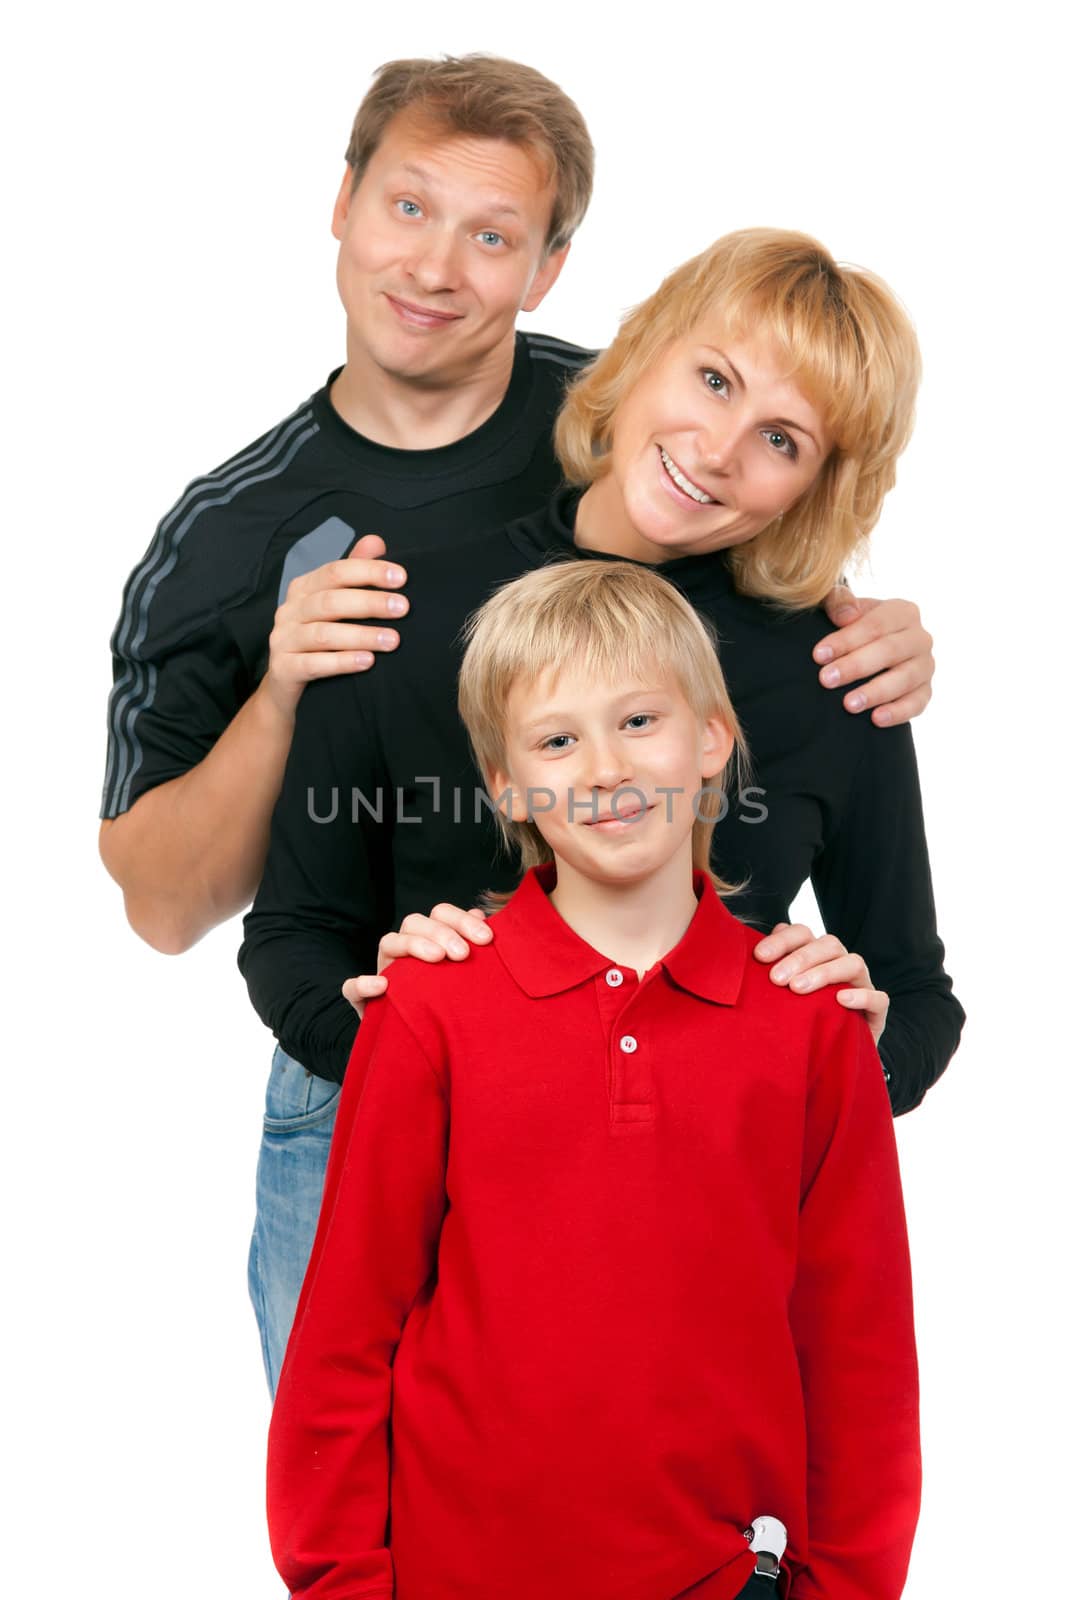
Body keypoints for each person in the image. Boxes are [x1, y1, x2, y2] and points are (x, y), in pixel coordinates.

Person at [97, 52, 936, 1391]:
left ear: (550, 273)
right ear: (344, 202)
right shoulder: (303, 560)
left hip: (679, 1137)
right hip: (382, 1106)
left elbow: (913, 992)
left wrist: (838, 1033)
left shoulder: (699, 500)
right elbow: (203, 913)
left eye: (491, 235)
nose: (436, 270)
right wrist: (287, 684)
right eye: (409, 208)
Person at [267, 559, 921, 1600]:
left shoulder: (811, 1026)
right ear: (506, 783)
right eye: (557, 740)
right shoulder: (429, 1008)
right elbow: (345, 1339)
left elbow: (860, 1358)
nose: (603, 767)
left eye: (638, 722)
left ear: (711, 740)